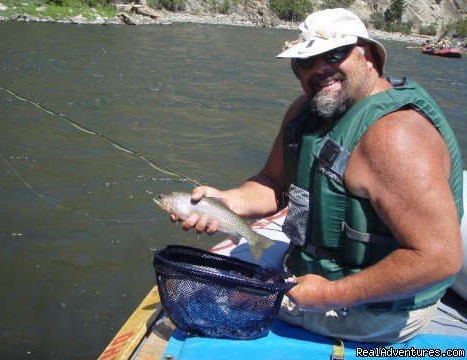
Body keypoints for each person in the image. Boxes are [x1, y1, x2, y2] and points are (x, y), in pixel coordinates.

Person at [171, 8, 464, 343]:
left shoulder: (395, 138)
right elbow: (273, 182)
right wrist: (228, 202)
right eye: (305, 61)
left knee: (218, 296)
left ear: (366, 55)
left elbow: (439, 259)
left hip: (374, 308)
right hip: (312, 271)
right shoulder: (304, 110)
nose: (319, 69)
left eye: (333, 55)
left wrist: (331, 294)